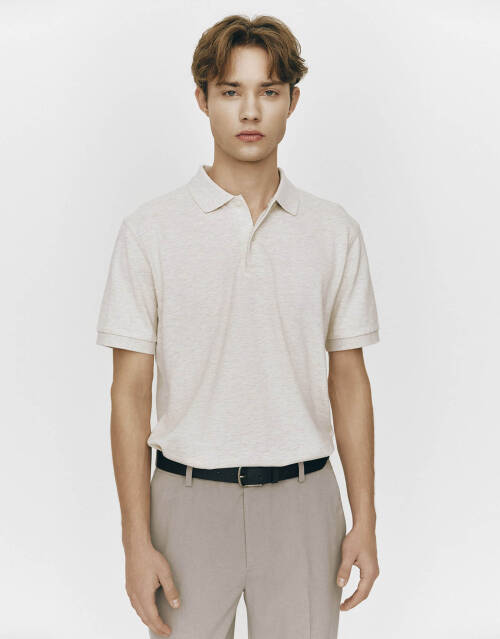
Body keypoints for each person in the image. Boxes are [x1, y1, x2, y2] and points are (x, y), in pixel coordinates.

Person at [96, 13, 381, 639]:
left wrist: (365, 519)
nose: (250, 111)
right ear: (202, 99)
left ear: (292, 102)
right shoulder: (150, 232)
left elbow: (350, 382)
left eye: (268, 91)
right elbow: (130, 394)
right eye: (230, 91)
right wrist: (135, 540)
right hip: (185, 501)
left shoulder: (333, 232)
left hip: (305, 501)